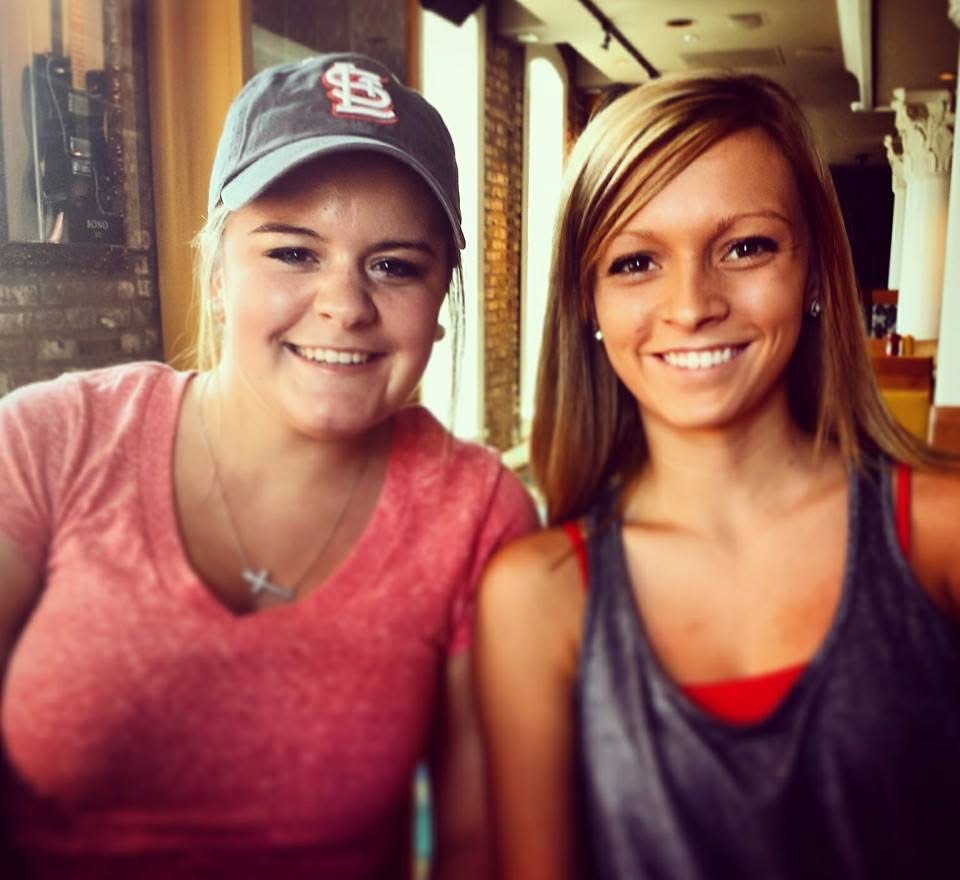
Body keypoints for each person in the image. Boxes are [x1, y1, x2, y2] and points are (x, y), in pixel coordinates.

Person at [0, 52, 538, 879]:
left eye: (395, 266)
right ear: (218, 276)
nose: (345, 306)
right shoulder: (49, 440)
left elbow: (476, 848)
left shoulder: (475, 511)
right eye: (293, 253)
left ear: (438, 304)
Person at [474, 71, 960, 880]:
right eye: (636, 262)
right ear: (588, 303)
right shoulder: (538, 596)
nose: (692, 304)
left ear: (815, 273)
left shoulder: (939, 535)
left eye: (745, 247)